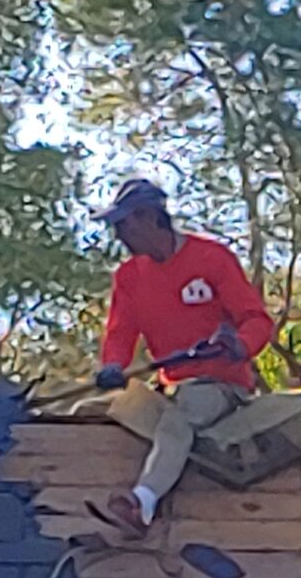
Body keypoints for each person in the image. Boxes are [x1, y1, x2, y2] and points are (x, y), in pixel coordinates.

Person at [89, 177, 275, 538]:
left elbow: (256, 320)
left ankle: (142, 503)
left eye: (123, 225)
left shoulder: (211, 259)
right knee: (96, 412)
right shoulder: (128, 277)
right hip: (169, 385)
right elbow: (121, 332)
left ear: (148, 218)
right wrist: (113, 365)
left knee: (178, 421)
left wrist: (238, 345)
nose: (119, 237)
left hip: (220, 385)